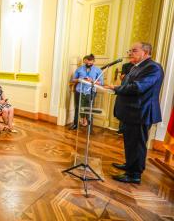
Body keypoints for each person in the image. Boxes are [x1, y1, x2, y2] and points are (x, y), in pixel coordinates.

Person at [105, 42, 164, 184]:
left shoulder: (153, 67)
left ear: (146, 52)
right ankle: (130, 165)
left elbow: (138, 87)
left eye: (135, 50)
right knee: (130, 142)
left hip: (141, 113)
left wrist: (116, 88)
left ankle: (134, 175)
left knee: (137, 144)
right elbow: (127, 84)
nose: (131, 53)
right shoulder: (136, 66)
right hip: (131, 113)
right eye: (130, 50)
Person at [69, 54, 103, 130]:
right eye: (86, 63)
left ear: (93, 61)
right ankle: (75, 125)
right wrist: (80, 79)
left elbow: (101, 83)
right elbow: (73, 80)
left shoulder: (98, 70)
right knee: (78, 107)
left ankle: (90, 128)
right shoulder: (79, 69)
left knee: (90, 109)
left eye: (90, 63)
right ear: (84, 61)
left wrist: (92, 80)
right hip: (79, 91)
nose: (88, 64)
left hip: (90, 92)